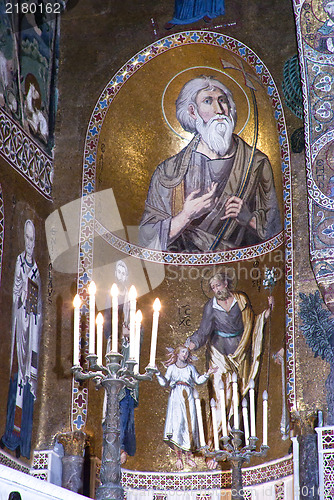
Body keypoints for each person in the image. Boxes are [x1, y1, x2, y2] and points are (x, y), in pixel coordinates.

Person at [139, 75, 281, 253]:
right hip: (182, 272)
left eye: (223, 101)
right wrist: (186, 216)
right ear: (192, 112)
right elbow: (145, 240)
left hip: (239, 270)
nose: (219, 109)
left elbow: (278, 234)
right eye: (208, 101)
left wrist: (250, 219)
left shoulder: (256, 164)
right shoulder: (168, 172)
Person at [186, 271, 273, 460]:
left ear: (226, 283)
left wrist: (265, 314)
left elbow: (252, 321)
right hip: (218, 355)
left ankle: (234, 443)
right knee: (219, 398)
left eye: (218, 286)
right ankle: (213, 445)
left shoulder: (241, 300)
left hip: (240, 354)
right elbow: (203, 331)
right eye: (213, 288)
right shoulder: (211, 306)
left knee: (238, 395)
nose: (216, 290)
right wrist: (190, 345)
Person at [1, 220, 42, 459]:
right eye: (27, 238)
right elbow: (16, 292)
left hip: (32, 331)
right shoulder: (19, 262)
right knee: (16, 379)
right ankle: (9, 435)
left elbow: (37, 306)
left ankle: (23, 442)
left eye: (32, 239)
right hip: (20, 329)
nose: (29, 243)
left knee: (26, 382)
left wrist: (32, 305)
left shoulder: (36, 269)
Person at [156, 345, 217, 470]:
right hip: (176, 398)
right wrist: (157, 373)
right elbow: (164, 383)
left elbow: (198, 380)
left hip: (188, 397)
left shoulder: (190, 368)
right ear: (177, 354)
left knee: (189, 426)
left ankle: (189, 457)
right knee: (177, 426)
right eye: (183, 352)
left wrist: (207, 374)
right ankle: (179, 458)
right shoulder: (172, 368)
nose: (185, 355)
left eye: (187, 353)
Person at [104, 259, 138, 465]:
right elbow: (106, 325)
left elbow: (140, 329)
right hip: (114, 349)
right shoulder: (111, 299)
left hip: (129, 352)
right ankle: (110, 442)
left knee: (125, 399)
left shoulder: (134, 299)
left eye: (124, 271)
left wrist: (132, 333)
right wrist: (118, 334)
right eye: (118, 270)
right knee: (114, 396)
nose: (121, 274)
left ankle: (123, 445)